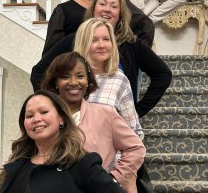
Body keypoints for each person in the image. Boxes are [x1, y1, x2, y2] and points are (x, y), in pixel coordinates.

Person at [31, 0, 172, 117]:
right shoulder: (73, 40)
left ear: (120, 14)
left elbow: (163, 74)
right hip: (74, 128)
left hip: (116, 130)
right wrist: (53, 105)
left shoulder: (131, 44)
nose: (107, 9)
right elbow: (39, 72)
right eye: (102, 4)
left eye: (114, 6)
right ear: (93, 9)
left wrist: (137, 110)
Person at [41, 52, 146, 193]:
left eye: (80, 76)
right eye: (65, 76)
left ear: (88, 80)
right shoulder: (44, 116)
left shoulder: (106, 114)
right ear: (55, 82)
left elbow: (136, 148)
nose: (73, 82)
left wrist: (114, 178)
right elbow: (26, 151)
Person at [0, 90, 126, 193]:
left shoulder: (82, 163)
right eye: (29, 115)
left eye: (43, 112)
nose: (36, 119)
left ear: (61, 119)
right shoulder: (16, 164)